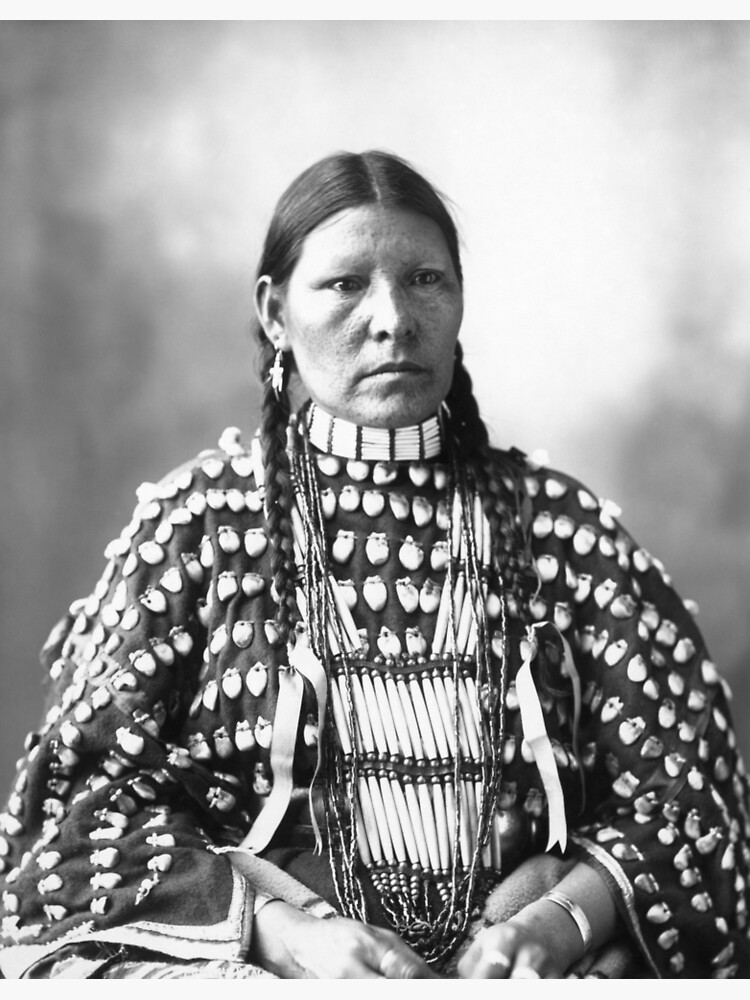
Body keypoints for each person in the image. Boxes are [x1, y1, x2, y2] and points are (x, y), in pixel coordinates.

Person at [1, 150, 748, 981]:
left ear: (461, 301)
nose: (393, 316)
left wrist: (560, 922)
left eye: (426, 280)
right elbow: (79, 807)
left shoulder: (561, 532)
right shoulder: (199, 528)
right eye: (346, 284)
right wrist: (288, 936)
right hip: (256, 966)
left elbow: (688, 801)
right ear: (275, 312)